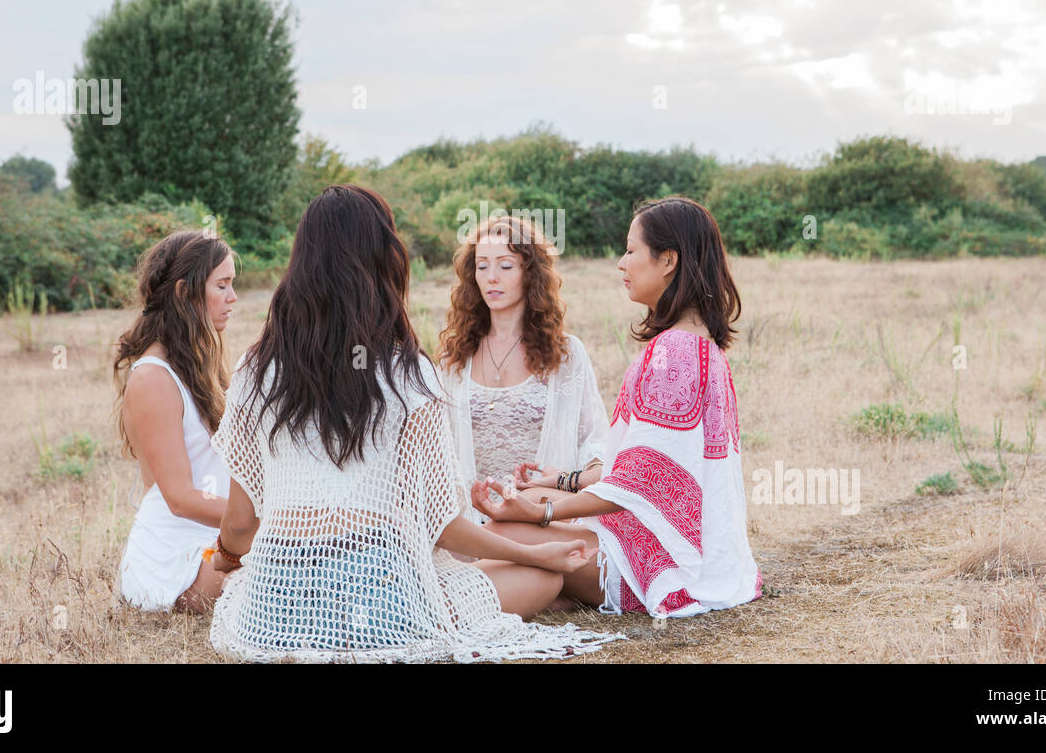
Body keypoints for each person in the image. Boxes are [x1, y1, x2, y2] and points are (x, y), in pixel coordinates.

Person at [206, 184, 624, 662]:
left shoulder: (255, 370)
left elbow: (240, 525)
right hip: (385, 601)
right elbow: (443, 527)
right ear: (385, 262)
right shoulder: (409, 373)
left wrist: (226, 557)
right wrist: (535, 555)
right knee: (543, 578)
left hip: (274, 613)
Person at [472, 196, 763, 617]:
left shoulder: (674, 352)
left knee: (508, 525)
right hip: (690, 553)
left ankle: (442, 604)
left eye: (631, 250)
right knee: (530, 503)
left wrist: (543, 509)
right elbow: (644, 467)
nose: (621, 264)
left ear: (667, 260)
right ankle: (544, 593)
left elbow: (639, 485)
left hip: (662, 564)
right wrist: (565, 480)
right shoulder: (698, 343)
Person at [437, 214, 607, 516]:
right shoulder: (454, 359)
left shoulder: (567, 355)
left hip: (541, 518)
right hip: (469, 523)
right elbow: (438, 453)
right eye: (482, 266)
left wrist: (565, 482)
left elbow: (596, 446)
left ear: (530, 273)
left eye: (505, 265)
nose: (491, 277)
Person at [114, 230, 239, 613]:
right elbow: (179, 498)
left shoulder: (198, 364)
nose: (233, 298)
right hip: (175, 558)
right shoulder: (153, 377)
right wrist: (264, 516)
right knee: (288, 581)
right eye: (222, 285)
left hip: (221, 536)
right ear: (185, 292)